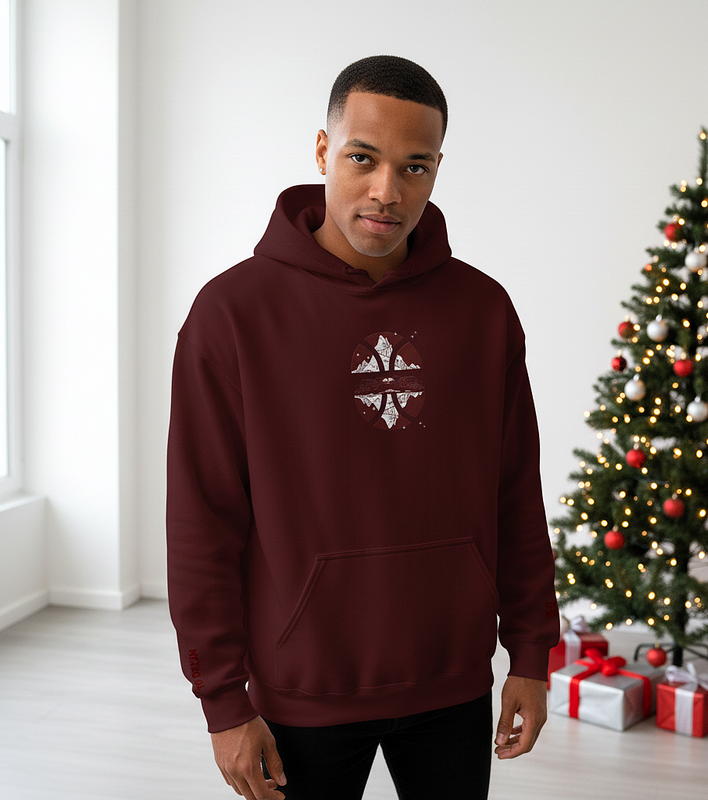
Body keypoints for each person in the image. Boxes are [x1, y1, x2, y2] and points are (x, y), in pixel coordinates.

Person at [166, 55, 559, 800]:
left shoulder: (482, 312)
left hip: (452, 681)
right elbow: (201, 520)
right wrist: (222, 701)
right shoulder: (231, 316)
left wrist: (532, 654)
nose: (388, 191)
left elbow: (516, 491)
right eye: (363, 158)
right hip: (301, 689)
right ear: (323, 151)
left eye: (416, 167)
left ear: (438, 169)